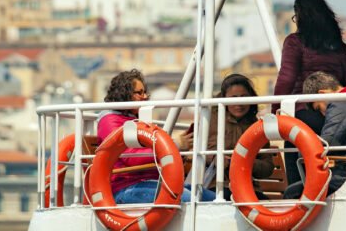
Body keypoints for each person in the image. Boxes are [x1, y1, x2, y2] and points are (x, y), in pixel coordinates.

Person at [273, 0, 346, 184]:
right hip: (334, 114)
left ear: (300, 17)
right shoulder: (339, 47)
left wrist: (276, 112)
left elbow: (286, 79)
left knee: (293, 145)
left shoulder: (295, 42)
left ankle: (297, 191)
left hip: (304, 111)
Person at [97, 69, 215, 204]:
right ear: (124, 94)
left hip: (148, 181)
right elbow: (131, 157)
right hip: (125, 187)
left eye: (145, 92)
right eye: (139, 93)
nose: (145, 97)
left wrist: (179, 147)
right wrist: (174, 145)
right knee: (189, 198)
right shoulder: (110, 121)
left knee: (209, 196)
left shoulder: (134, 120)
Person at [180, 73, 275, 199]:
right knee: (226, 196)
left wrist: (239, 162)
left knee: (263, 202)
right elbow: (193, 151)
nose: (239, 103)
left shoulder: (257, 127)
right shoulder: (208, 120)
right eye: (233, 98)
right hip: (212, 185)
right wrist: (215, 158)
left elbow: (267, 167)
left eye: (243, 97)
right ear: (224, 98)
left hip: (248, 188)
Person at [283, 71, 346, 199]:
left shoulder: (341, 103)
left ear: (322, 94)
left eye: (319, 108)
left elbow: (328, 144)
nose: (323, 114)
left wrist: (302, 151)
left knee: (292, 192)